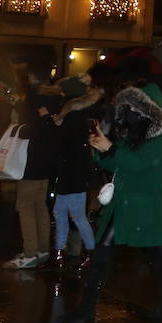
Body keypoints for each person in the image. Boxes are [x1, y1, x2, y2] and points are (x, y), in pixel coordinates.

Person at [70, 88, 162, 323]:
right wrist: (100, 149)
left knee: (158, 259)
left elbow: (138, 165)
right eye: (128, 108)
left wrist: (111, 149)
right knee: (101, 258)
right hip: (123, 207)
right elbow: (118, 164)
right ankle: (85, 310)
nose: (131, 113)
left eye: (137, 109)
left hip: (147, 209)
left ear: (151, 111)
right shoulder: (132, 135)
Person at [5, 69, 60, 270]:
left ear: (34, 76)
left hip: (30, 162)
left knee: (25, 206)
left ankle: (29, 253)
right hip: (46, 164)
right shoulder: (56, 98)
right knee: (40, 206)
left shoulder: (33, 98)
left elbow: (30, 130)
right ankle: (42, 250)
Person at [48, 81, 101, 270]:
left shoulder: (73, 116)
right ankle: (60, 253)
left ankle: (90, 253)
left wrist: (56, 125)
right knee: (62, 213)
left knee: (75, 215)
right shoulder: (77, 115)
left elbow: (63, 146)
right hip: (73, 174)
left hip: (72, 174)